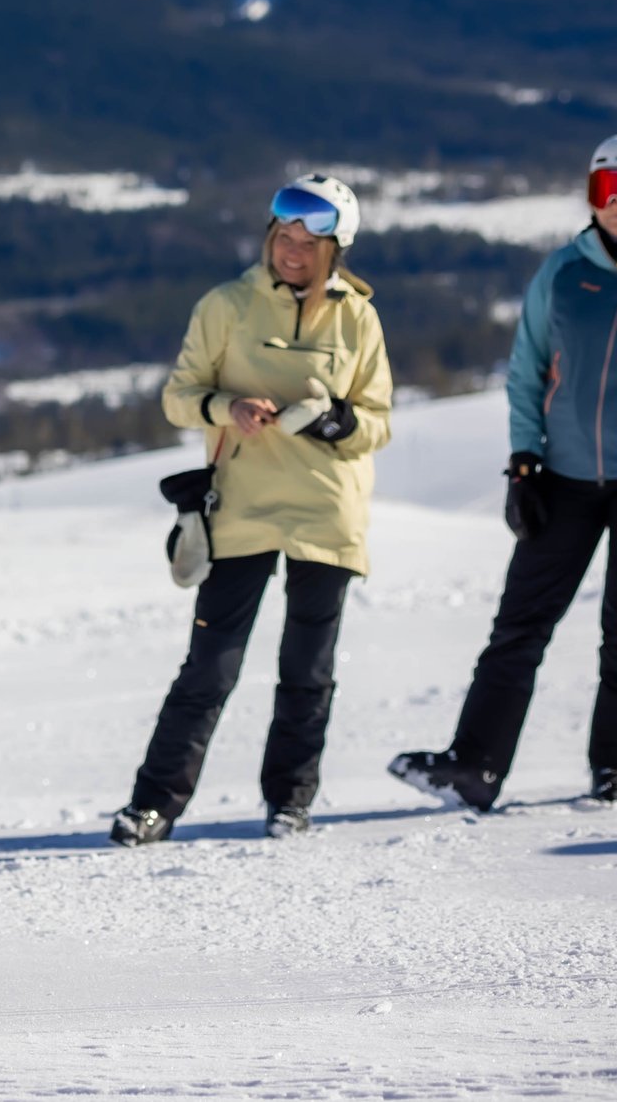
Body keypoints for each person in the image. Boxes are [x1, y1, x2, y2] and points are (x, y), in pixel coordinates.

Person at [392, 134, 617, 811]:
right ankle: (474, 766)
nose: (612, 203)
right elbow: (527, 370)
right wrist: (524, 462)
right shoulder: (562, 274)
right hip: (566, 479)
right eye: (599, 187)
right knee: (518, 626)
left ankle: (616, 769)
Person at [111, 174, 394, 846]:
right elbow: (179, 396)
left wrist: (337, 422)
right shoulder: (227, 304)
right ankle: (153, 805)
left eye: (307, 240)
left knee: (308, 667)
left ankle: (290, 802)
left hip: (327, 512)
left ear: (336, 248)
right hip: (239, 505)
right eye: (283, 235)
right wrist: (226, 408)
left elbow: (378, 420)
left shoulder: (358, 317)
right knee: (210, 666)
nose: (291, 249)